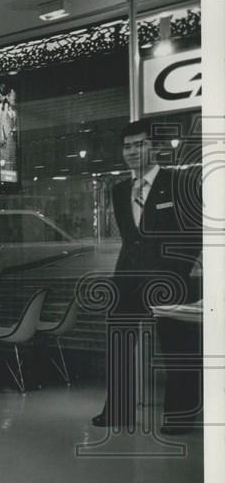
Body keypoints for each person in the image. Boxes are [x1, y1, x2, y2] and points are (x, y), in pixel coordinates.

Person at [92, 120, 202, 434]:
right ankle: (118, 411)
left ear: (154, 147)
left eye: (139, 144)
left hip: (169, 280)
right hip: (127, 279)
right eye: (127, 146)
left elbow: (194, 235)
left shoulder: (178, 182)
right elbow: (131, 238)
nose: (132, 152)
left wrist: (174, 273)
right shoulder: (120, 190)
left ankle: (180, 418)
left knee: (178, 349)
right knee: (120, 345)